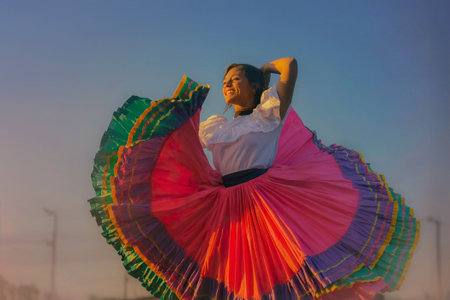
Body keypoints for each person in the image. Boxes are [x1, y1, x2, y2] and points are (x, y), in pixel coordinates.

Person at [89, 57, 420, 300]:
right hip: (225, 205)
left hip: (266, 200)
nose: (229, 84)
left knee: (284, 268)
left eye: (236, 79)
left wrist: (264, 71)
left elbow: (289, 65)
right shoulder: (215, 125)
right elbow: (187, 141)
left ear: (256, 87)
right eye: (225, 81)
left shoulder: (268, 114)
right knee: (236, 278)